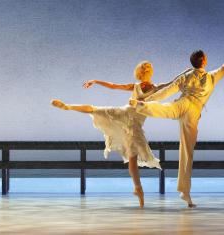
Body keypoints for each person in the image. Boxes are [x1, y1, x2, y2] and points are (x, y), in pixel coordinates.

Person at [130, 49, 224, 207]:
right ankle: (185, 192)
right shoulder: (211, 77)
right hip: (193, 110)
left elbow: (166, 92)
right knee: (187, 150)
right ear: (203, 61)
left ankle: (142, 106)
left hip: (182, 103)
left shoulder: (187, 76)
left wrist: (147, 100)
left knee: (167, 109)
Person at [51, 61, 173, 208]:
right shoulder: (155, 88)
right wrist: (189, 72)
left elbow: (113, 86)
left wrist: (95, 81)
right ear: (149, 73)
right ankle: (138, 189)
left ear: (139, 73)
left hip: (125, 115)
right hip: (132, 123)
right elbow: (173, 83)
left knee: (95, 109)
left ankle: (68, 106)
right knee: (132, 158)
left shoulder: (138, 86)